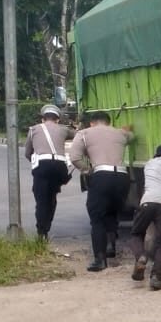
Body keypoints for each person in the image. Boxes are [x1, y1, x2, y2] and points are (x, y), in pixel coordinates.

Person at [68, 110, 134, 272]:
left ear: (92, 122)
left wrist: (87, 170)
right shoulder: (121, 134)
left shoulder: (84, 133)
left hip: (101, 176)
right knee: (112, 212)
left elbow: (74, 157)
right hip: (122, 177)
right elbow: (131, 136)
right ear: (108, 122)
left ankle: (100, 259)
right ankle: (111, 247)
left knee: (97, 217)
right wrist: (127, 130)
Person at [129, 145, 161, 290]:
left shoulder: (149, 164)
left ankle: (140, 257)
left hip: (147, 202)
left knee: (136, 234)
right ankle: (156, 277)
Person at [23, 104, 74, 239]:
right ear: (57, 119)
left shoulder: (33, 130)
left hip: (42, 167)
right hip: (59, 167)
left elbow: (28, 153)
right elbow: (79, 135)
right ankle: (47, 225)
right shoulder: (64, 129)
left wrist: (37, 163)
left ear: (42, 119)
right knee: (52, 198)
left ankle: (42, 232)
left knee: (41, 201)